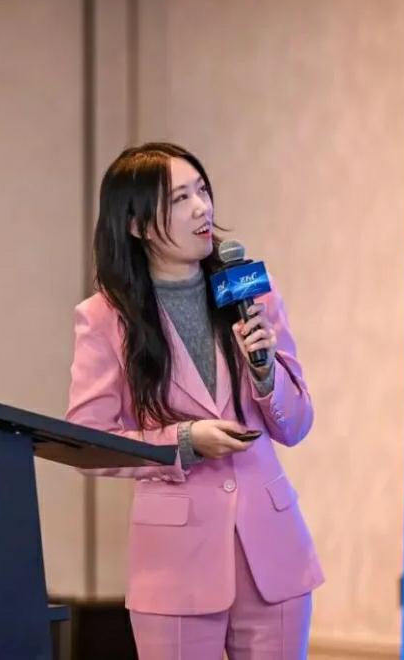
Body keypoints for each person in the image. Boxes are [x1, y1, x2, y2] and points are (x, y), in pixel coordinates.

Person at [65, 142, 324, 659]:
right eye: (180, 199)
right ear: (137, 224)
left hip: (273, 554)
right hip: (174, 567)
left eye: (202, 191)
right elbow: (88, 443)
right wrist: (183, 441)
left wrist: (265, 372)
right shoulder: (105, 318)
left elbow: (295, 425)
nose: (202, 208)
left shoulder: (252, 293)